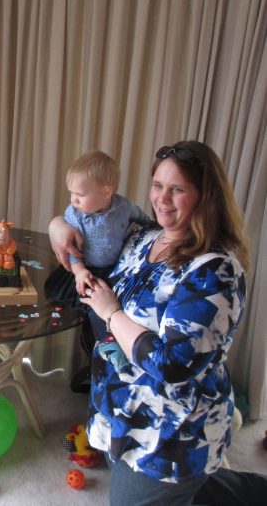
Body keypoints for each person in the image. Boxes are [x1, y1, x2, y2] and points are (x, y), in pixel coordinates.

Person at [49, 141, 267, 505]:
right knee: (196, 493)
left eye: (177, 189)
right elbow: (91, 221)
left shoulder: (216, 271)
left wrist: (112, 313)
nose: (162, 199)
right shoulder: (143, 236)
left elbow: (172, 363)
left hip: (170, 436)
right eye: (157, 185)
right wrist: (57, 225)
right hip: (121, 414)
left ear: (205, 197)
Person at [46, 149, 151, 373]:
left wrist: (155, 230)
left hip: (113, 269)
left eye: (80, 195)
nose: (73, 200)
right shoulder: (75, 214)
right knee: (94, 304)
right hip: (86, 269)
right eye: (71, 193)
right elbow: (70, 248)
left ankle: (109, 342)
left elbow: (143, 219)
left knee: (110, 305)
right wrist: (79, 270)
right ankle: (108, 344)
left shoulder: (124, 207)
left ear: (106, 192)